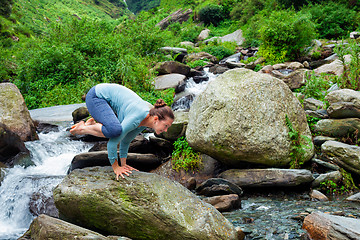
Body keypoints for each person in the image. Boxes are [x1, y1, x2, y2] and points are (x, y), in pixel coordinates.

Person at [70, 83, 174, 180]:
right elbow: (112, 143)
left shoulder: (146, 121)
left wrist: (123, 164)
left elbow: (126, 141)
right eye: (165, 126)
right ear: (156, 119)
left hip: (108, 101)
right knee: (115, 131)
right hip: (96, 96)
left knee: (117, 131)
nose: (166, 130)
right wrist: (116, 167)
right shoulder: (137, 117)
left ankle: (92, 125)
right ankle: (83, 128)